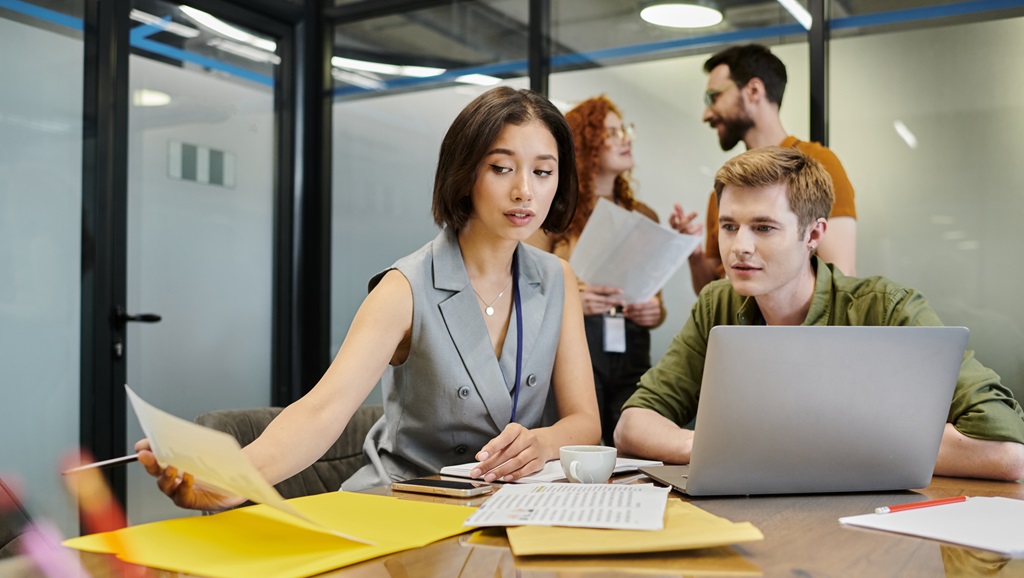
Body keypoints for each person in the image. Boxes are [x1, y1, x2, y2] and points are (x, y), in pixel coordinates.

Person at [138, 87, 602, 509]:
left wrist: (542, 444)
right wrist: (227, 482)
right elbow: (322, 411)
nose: (525, 190)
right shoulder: (406, 285)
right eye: (501, 168)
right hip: (405, 505)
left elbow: (585, 421)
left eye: (543, 171)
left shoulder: (557, 278)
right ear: (465, 175)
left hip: (510, 506)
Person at [615, 146, 1024, 482]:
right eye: (728, 226)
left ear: (813, 235)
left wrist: (816, 446)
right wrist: (709, 446)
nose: (739, 246)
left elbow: (1008, 453)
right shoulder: (716, 303)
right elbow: (634, 424)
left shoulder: (887, 308)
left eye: (763, 228)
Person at [527, 95, 665, 445]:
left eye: (625, 131)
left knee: (635, 445)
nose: (626, 139)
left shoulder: (643, 215)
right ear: (586, 143)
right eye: (613, 133)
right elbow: (527, 288)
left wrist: (655, 311)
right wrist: (575, 300)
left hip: (632, 346)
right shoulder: (556, 214)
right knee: (583, 448)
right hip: (578, 345)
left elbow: (656, 298)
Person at [674, 43, 858, 294]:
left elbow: (841, 278)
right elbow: (713, 294)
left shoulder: (820, 165)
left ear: (753, 89)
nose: (706, 114)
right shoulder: (725, 188)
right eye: (730, 227)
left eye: (713, 97)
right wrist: (694, 255)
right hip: (737, 332)